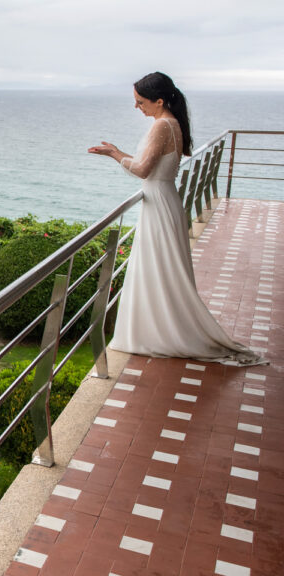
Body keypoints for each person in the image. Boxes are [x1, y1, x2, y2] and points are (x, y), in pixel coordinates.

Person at [89, 72, 266, 366]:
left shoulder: (162, 126)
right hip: (165, 200)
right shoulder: (172, 122)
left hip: (158, 203)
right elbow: (154, 166)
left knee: (158, 268)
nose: (137, 107)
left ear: (159, 101)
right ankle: (157, 329)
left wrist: (113, 155)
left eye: (140, 101)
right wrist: (118, 152)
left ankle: (161, 333)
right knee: (162, 269)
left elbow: (144, 171)